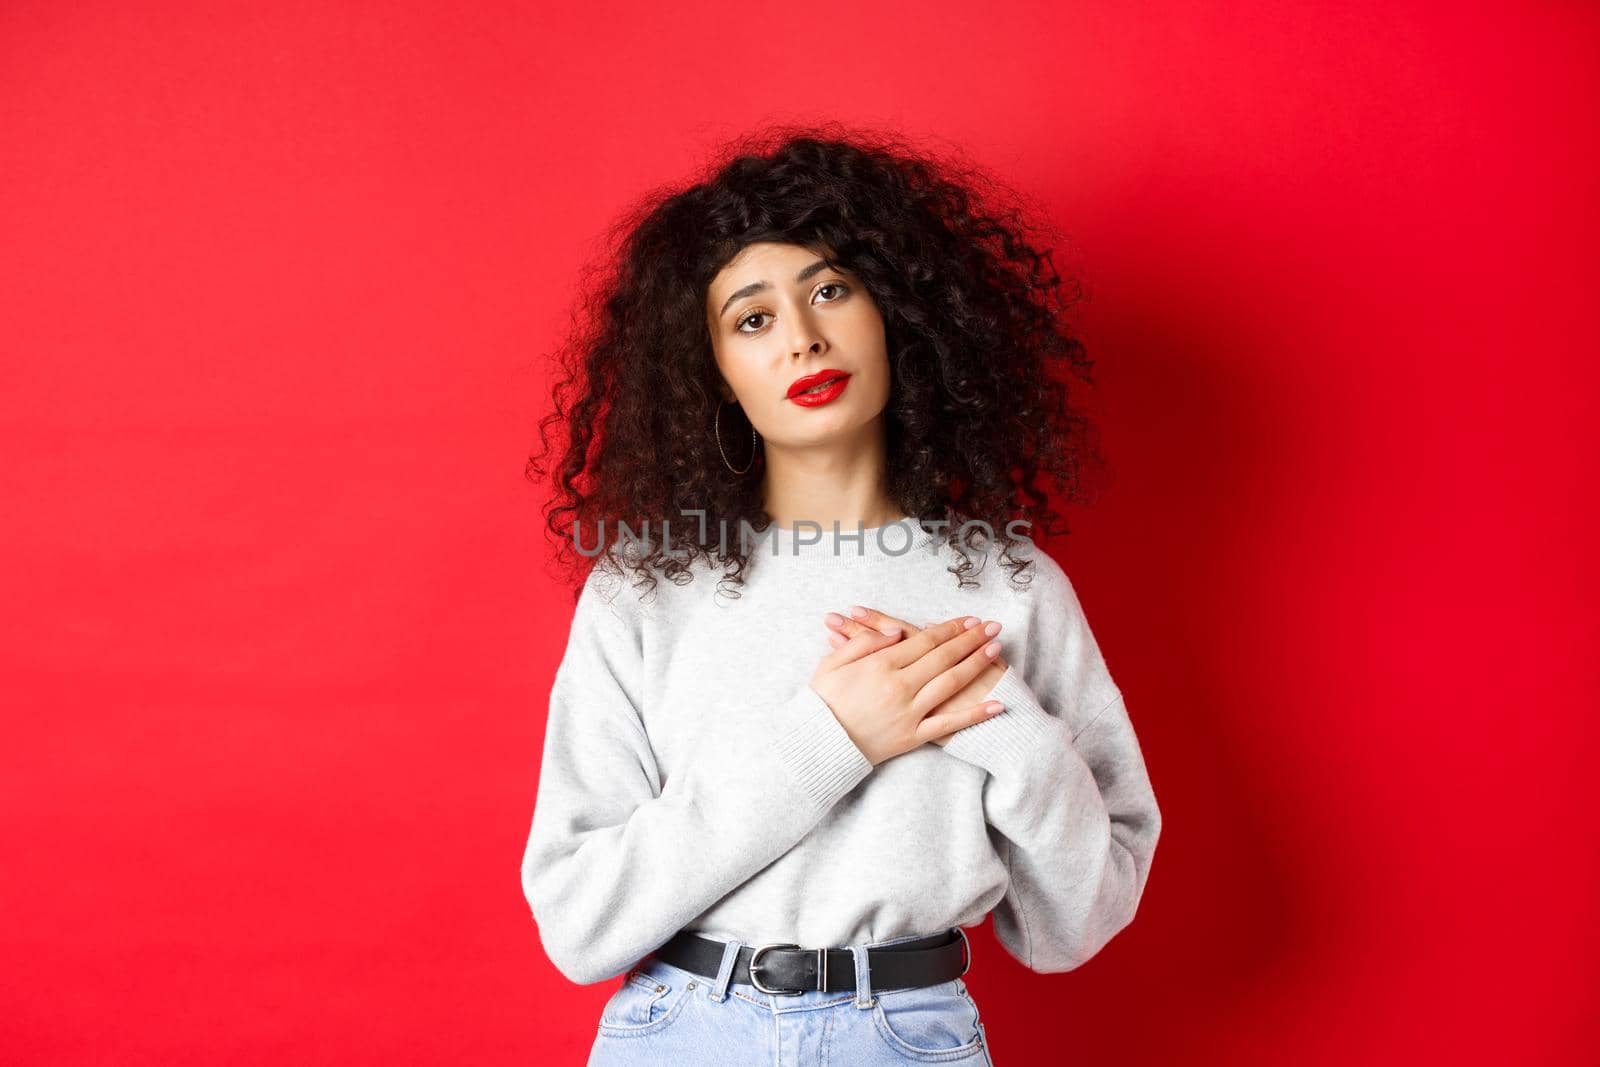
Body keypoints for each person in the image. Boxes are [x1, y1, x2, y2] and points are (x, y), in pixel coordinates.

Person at [520, 124, 1162, 1065]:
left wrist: (1000, 724)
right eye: (752, 318)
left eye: (830, 290)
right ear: (719, 378)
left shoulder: (1010, 584)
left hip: (908, 1037)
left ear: (897, 312)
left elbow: (1075, 924)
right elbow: (580, 923)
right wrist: (832, 738)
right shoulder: (645, 590)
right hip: (681, 1033)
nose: (803, 338)